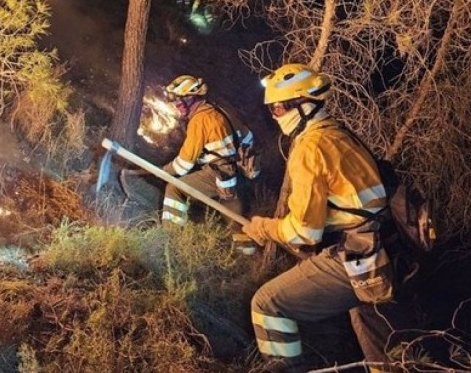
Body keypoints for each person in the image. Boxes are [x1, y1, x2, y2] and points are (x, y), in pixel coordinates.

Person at [243, 63, 404, 372]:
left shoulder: (310, 148)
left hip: (359, 255)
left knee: (267, 304)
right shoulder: (338, 133)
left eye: (278, 108)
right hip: (387, 250)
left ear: (303, 105)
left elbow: (302, 235)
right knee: (382, 348)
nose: (275, 115)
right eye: (273, 109)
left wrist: (265, 228)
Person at [160, 74, 259, 255]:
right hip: (239, 173)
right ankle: (249, 257)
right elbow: (248, 137)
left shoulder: (199, 120)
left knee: (174, 188)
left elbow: (184, 164)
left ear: (191, 98)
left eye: (180, 101)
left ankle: (171, 241)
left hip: (219, 174)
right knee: (234, 218)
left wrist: (163, 171)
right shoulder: (220, 110)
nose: (176, 105)